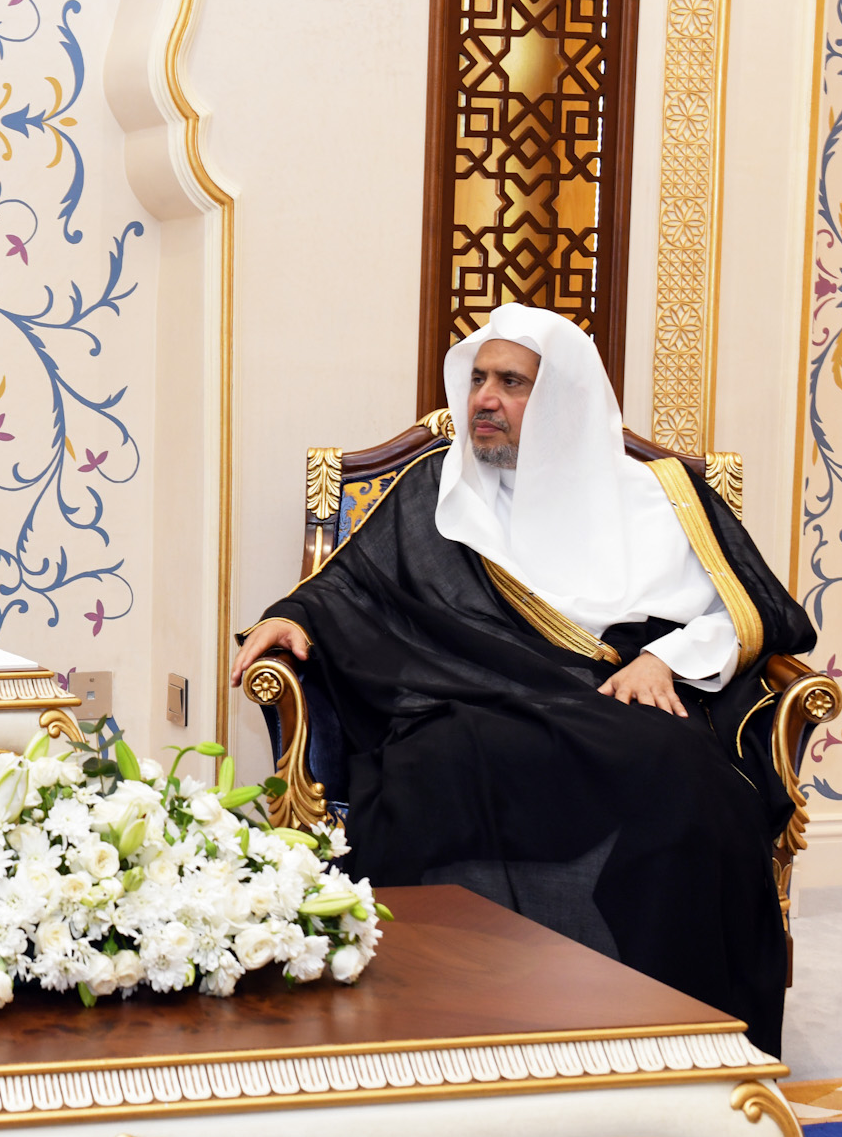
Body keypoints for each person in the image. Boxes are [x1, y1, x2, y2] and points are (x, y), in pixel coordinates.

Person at [230, 302, 812, 1057]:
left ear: (563, 398)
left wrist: (663, 658)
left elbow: (750, 611)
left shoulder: (658, 498)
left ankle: (668, 1041)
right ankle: (458, 1038)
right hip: (466, 701)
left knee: (688, 788)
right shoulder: (436, 492)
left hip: (609, 699)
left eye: (512, 382)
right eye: (478, 379)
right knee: (435, 773)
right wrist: (294, 616)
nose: (484, 400)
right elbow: (353, 587)